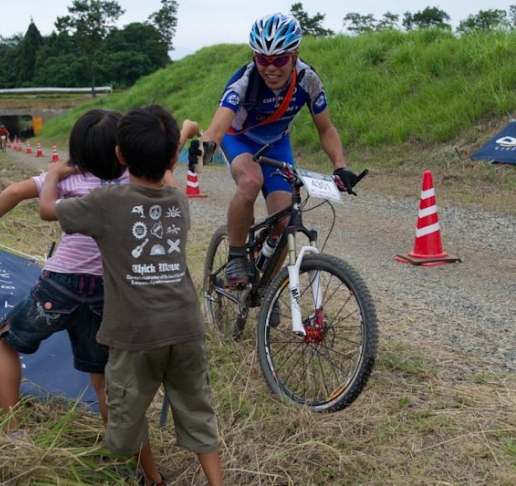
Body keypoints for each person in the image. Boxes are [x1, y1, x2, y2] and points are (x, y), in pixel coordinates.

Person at [39, 106, 223, 486]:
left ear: (120, 156)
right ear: (172, 157)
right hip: (185, 326)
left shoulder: (107, 203)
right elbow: (166, 168)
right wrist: (185, 132)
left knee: (129, 415)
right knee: (198, 410)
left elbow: (45, 211)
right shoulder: (179, 200)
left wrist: (55, 173)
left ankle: (152, 478)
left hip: (134, 335)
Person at [0, 109, 128, 430]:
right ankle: (124, 449)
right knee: (102, 379)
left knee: (4, 337)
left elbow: (14, 191)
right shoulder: (131, 180)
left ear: (77, 151)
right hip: (107, 292)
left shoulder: (71, 177)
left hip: (60, 286)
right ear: (122, 150)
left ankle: (11, 429)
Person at [201, 13, 360, 287]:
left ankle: (268, 287)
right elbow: (216, 128)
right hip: (239, 139)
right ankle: (237, 254)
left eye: (279, 60)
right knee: (251, 181)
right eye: (262, 59)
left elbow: (326, 129)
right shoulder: (244, 81)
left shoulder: (308, 80)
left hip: (276, 144)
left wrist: (340, 166)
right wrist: (203, 150)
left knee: (286, 218)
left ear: (294, 54)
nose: (270, 68)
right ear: (254, 57)